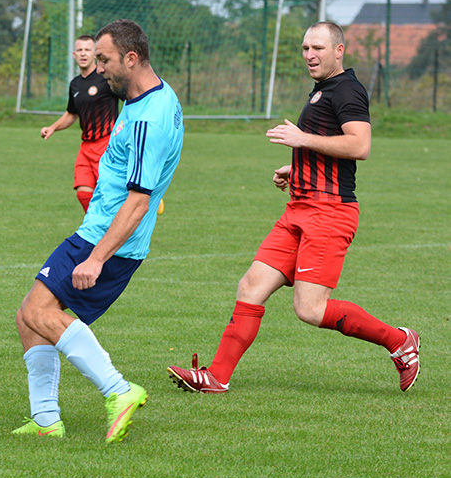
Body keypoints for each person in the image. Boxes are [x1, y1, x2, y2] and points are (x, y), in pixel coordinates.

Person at [167, 21, 420, 394]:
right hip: (299, 207)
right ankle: (216, 376)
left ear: (339, 50)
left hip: (329, 212)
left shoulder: (348, 90)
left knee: (311, 309)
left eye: (317, 48)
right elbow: (329, 145)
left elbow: (359, 146)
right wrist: (299, 165)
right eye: (305, 48)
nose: (309, 55)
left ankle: (399, 341)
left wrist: (302, 139)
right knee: (251, 286)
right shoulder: (323, 90)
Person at [12, 19, 184, 442]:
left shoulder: (148, 120)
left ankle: (119, 391)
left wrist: (96, 256)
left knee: (37, 313)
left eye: (105, 59)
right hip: (101, 230)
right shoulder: (146, 99)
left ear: (131, 58)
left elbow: (140, 200)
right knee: (29, 318)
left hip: (106, 238)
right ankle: (47, 421)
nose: (99, 67)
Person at [40, 35, 120, 213]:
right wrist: (52, 128)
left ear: (95, 55)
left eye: (88, 50)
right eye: (80, 50)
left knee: (110, 195)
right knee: (84, 193)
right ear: (74, 55)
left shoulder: (105, 78)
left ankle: (121, 230)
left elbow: (129, 99)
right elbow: (72, 114)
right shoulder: (75, 84)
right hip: (86, 147)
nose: (84, 54)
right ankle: (98, 228)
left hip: (106, 145)